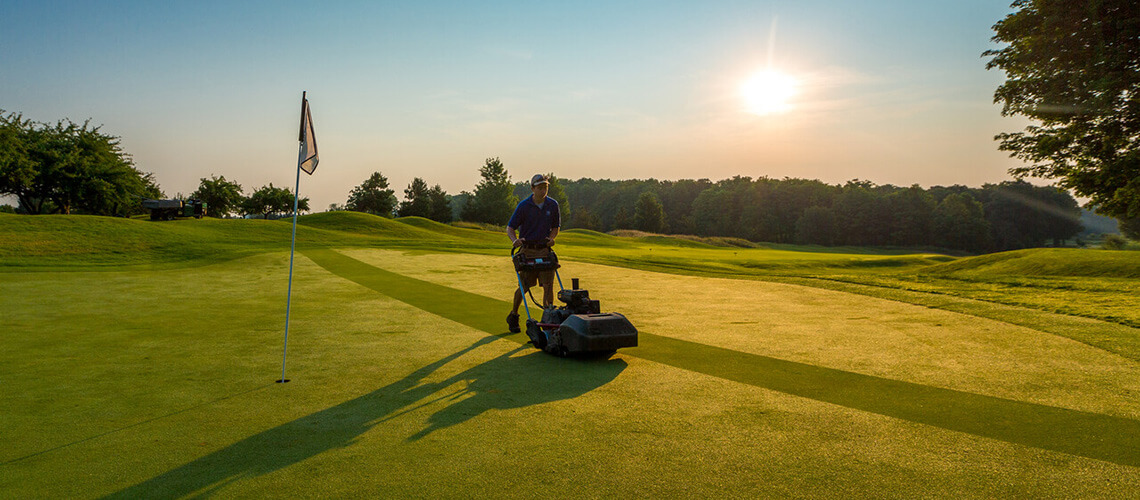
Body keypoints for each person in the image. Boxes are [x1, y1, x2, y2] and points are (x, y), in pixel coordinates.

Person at [506, 174, 561, 333]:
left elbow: (555, 228)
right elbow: (510, 228)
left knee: (548, 285)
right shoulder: (524, 206)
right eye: (540, 187)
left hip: (544, 250)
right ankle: (514, 314)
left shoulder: (553, 205)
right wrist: (514, 240)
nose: (543, 190)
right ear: (532, 188)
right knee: (524, 286)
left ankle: (548, 320)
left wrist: (552, 238)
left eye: (545, 187)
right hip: (527, 250)